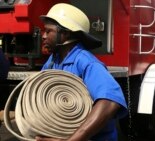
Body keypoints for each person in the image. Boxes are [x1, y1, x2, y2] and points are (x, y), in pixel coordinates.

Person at [35, 3, 127, 141]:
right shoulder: (53, 60)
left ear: (65, 33)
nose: (43, 36)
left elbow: (110, 102)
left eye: (48, 31)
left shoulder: (86, 62)